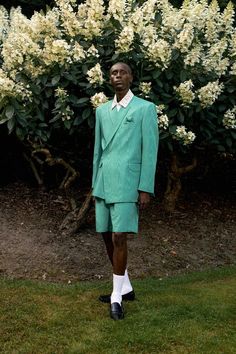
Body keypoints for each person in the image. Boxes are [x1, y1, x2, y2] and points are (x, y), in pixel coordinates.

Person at [92, 62, 158, 320]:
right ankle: (126, 286)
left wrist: (145, 188)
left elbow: (150, 151)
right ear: (110, 79)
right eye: (113, 73)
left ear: (131, 77)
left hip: (128, 183)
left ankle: (116, 297)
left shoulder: (145, 109)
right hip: (104, 181)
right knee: (107, 235)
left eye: (122, 72)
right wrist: (95, 183)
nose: (117, 76)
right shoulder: (101, 111)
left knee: (120, 236)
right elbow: (98, 149)